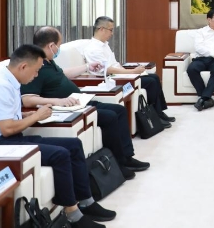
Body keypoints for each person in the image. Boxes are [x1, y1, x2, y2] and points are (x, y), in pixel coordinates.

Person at [0, 45, 116, 228]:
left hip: (8, 139)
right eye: (36, 70)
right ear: (23, 66)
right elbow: (7, 129)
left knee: (73, 145)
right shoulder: (0, 85)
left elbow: (6, 117)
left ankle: (86, 202)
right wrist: (36, 116)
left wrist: (26, 115)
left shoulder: (11, 81)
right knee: (60, 154)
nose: (36, 75)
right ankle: (73, 215)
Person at [23, 26, 150, 180]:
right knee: (109, 117)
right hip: (66, 109)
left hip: (80, 102)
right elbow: (27, 99)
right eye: (59, 45)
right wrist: (58, 101)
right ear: (51, 46)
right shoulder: (35, 65)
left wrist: (87, 66)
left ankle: (127, 157)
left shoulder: (48, 61)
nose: (59, 49)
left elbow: (62, 74)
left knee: (119, 110)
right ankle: (118, 164)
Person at [83, 16, 174, 125]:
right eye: (111, 30)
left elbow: (115, 65)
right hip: (113, 81)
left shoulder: (104, 45)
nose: (112, 33)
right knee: (150, 82)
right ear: (101, 29)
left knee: (154, 77)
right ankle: (155, 117)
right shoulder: (93, 49)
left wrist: (130, 71)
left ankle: (159, 112)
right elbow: (107, 70)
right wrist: (132, 72)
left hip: (120, 76)